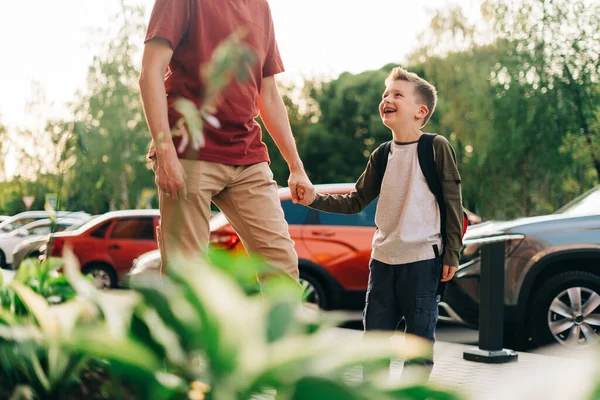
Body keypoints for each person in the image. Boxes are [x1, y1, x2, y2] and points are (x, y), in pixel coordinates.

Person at [297, 67, 464, 367]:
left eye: (397, 94)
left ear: (420, 111)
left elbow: (453, 203)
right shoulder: (381, 154)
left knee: (418, 348)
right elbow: (355, 201)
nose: (387, 98)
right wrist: (313, 198)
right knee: (374, 346)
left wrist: (452, 253)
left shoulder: (435, 148)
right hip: (383, 263)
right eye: (385, 94)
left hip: (423, 262)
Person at [139, 0, 312, 280]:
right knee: (187, 275)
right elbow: (151, 72)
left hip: (248, 155)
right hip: (189, 151)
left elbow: (267, 93)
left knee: (281, 266)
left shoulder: (260, 7)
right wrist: (165, 150)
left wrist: (296, 166)